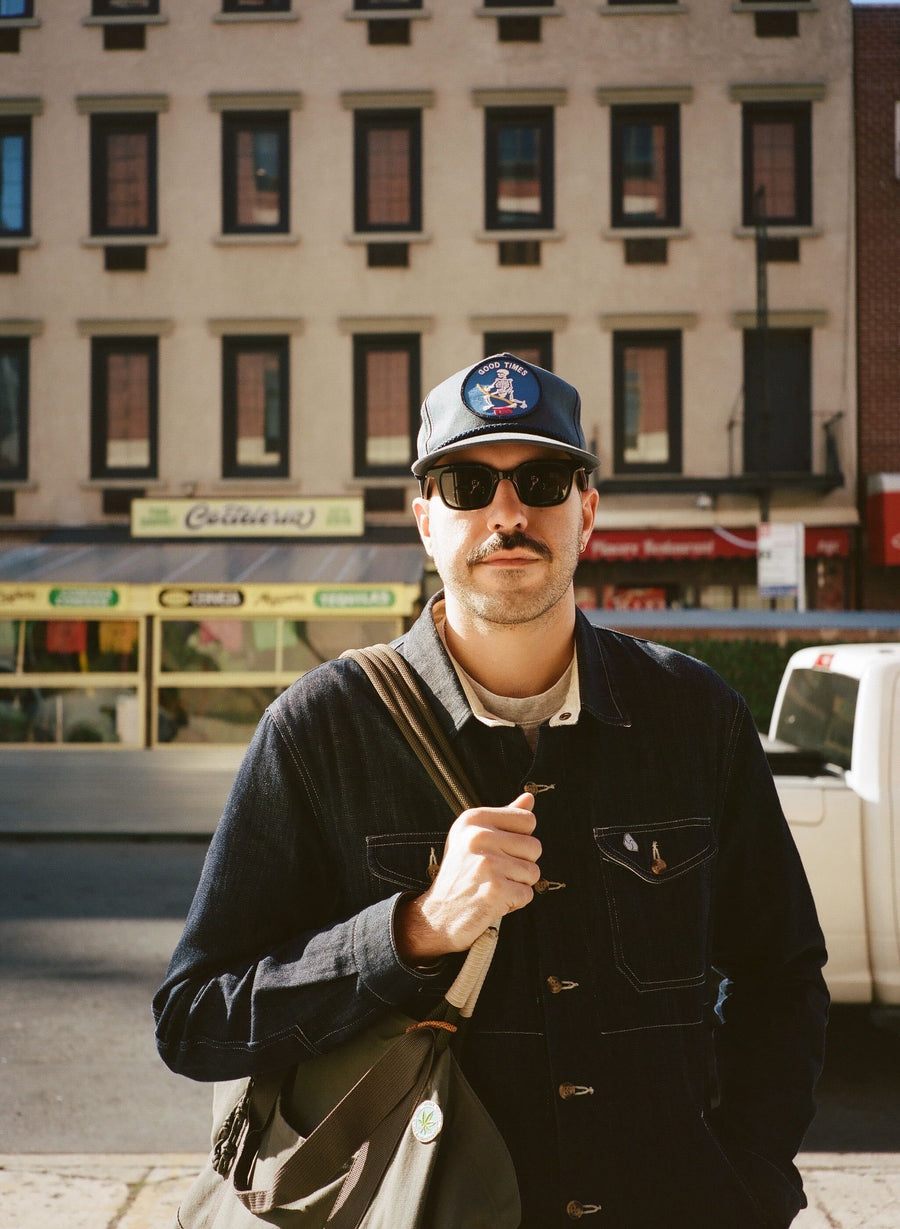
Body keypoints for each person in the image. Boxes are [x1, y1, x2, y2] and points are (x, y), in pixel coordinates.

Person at [154, 353, 828, 1228]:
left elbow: (781, 976)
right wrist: (413, 929)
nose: (507, 513)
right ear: (426, 522)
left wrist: (749, 1185)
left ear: (587, 511)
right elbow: (196, 1017)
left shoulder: (695, 716)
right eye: (468, 485)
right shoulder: (319, 730)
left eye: (541, 481)